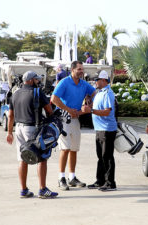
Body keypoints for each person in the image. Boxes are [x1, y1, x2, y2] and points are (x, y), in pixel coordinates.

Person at [6, 71, 58, 198]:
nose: (38, 81)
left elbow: (11, 115)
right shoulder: (37, 92)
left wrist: (9, 133)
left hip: (18, 129)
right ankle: (43, 189)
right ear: (30, 80)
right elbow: (49, 110)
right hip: (33, 129)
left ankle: (24, 190)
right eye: (36, 79)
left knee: (22, 158)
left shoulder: (15, 93)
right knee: (42, 157)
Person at [51, 61, 96, 191]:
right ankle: (61, 178)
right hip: (64, 119)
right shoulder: (64, 82)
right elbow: (54, 99)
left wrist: (89, 100)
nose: (82, 71)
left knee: (74, 149)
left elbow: (95, 93)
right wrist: (68, 109)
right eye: (79, 69)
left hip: (76, 120)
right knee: (65, 149)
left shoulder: (83, 84)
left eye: (82, 69)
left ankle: (72, 177)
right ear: (72, 70)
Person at [82, 70, 117, 191]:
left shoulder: (107, 93)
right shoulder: (100, 92)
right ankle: (100, 180)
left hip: (107, 129)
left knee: (107, 156)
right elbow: (97, 108)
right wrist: (89, 104)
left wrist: (90, 111)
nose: (95, 82)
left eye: (97, 80)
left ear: (103, 80)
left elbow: (107, 111)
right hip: (100, 129)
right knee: (101, 156)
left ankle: (110, 182)